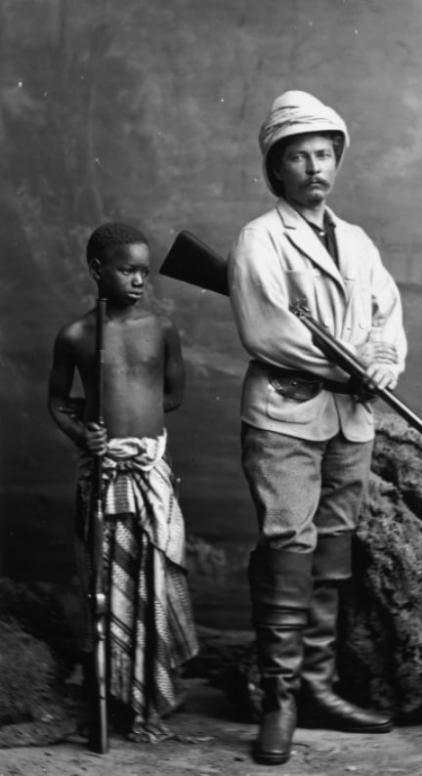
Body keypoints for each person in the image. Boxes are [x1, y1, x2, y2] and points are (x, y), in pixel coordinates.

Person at [228, 90, 406, 765]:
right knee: (287, 544)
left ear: (337, 162)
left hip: (352, 418)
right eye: (298, 157)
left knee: (333, 549)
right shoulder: (259, 238)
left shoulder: (358, 242)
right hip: (286, 415)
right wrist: (349, 368)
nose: (313, 168)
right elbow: (268, 332)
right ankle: (279, 699)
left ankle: (319, 685)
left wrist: (383, 362)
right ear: (277, 170)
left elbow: (386, 314)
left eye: (323, 155)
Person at [47, 222, 198, 742]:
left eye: (144, 272)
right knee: (108, 585)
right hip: (104, 471)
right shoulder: (77, 336)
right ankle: (110, 694)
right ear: (96, 269)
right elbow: (57, 403)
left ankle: (149, 693)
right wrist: (82, 434)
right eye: (127, 270)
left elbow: (173, 395)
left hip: (147, 468)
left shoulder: (161, 328)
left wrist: (140, 427)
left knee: (154, 576)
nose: (138, 280)